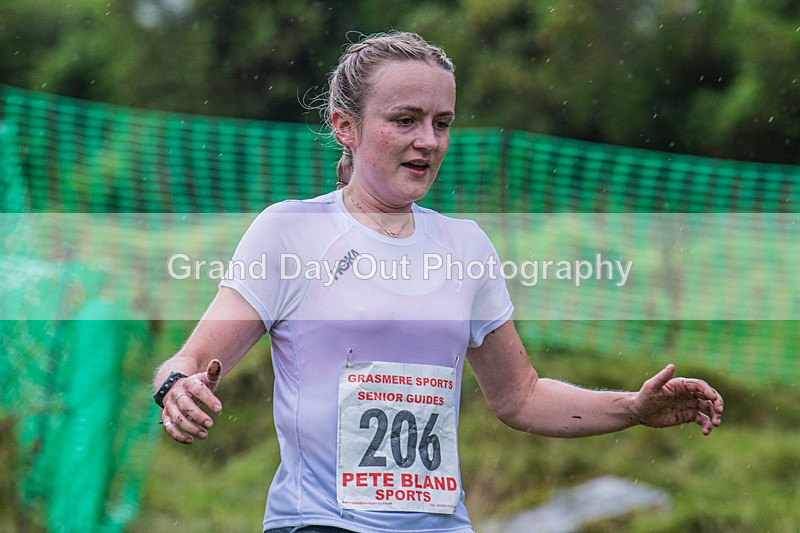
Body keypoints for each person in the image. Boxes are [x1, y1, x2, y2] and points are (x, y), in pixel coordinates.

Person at [152, 31, 724, 533]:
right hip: (321, 523)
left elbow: (520, 397)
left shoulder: (467, 245)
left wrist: (632, 407)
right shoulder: (291, 232)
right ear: (344, 126)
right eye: (405, 121)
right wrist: (176, 388)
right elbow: (188, 360)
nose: (429, 140)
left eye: (441, 123)